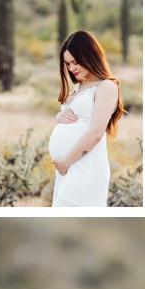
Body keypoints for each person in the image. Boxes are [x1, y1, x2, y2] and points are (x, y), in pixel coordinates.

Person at [48, 30, 124, 207]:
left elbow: (96, 132)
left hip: (85, 166)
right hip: (68, 167)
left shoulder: (106, 87)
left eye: (75, 62)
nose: (71, 68)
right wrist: (59, 115)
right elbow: (76, 115)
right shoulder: (80, 85)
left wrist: (65, 162)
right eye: (67, 64)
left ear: (90, 55)